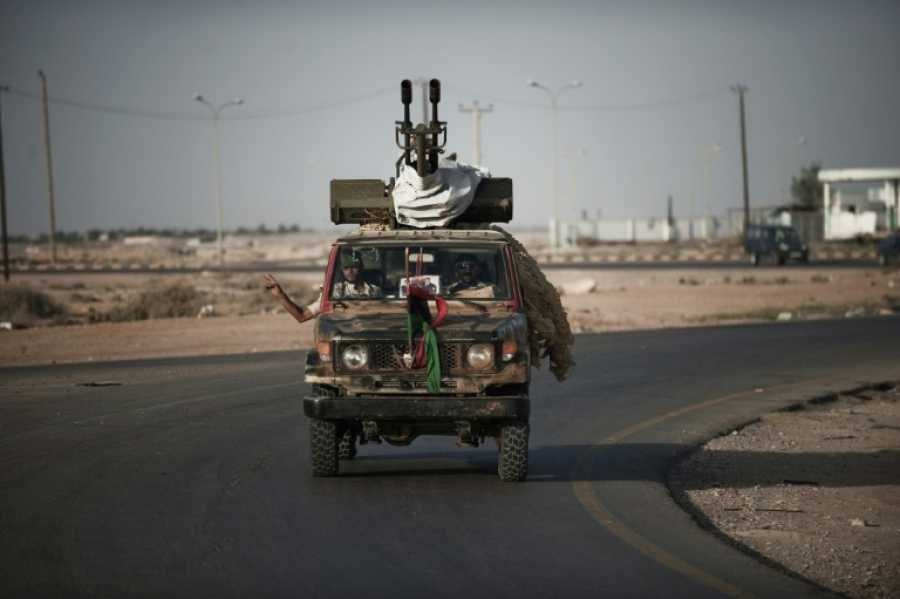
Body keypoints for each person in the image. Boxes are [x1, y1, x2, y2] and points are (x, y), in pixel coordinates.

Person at [264, 251, 382, 324]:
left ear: (361, 268)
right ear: (341, 270)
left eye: (354, 267)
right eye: (346, 268)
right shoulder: (334, 292)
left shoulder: (375, 291)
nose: (350, 271)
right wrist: (281, 296)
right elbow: (302, 316)